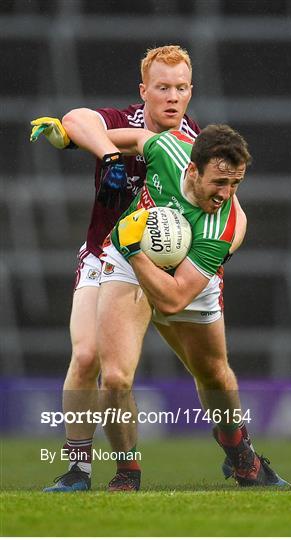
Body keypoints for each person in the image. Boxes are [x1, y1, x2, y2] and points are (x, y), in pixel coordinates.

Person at [69, 122, 289, 490]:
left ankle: (238, 449)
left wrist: (135, 249)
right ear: (191, 168)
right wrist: (94, 147)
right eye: (219, 182)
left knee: (214, 374)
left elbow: (172, 300)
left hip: (180, 277)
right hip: (127, 263)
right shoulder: (169, 150)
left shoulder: (222, 225)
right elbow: (137, 138)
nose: (226, 193)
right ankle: (127, 471)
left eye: (235, 184)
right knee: (116, 378)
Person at [30, 45, 200, 491]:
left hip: (159, 265)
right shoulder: (126, 120)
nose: (171, 97)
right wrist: (109, 156)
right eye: (162, 87)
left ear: (190, 92)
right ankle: (78, 470)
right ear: (143, 90)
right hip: (103, 252)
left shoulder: (196, 143)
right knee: (86, 356)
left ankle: (237, 450)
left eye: (180, 88)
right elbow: (76, 120)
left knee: (203, 368)